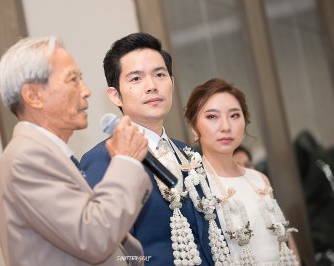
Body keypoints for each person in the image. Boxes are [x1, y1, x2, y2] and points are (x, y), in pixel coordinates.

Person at [0, 36, 153, 266]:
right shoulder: (26, 159)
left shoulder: (48, 154)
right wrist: (125, 161)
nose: (86, 91)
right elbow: (94, 237)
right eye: (73, 80)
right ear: (33, 96)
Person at [81, 33, 220, 266]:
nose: (152, 86)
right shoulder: (102, 159)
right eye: (136, 79)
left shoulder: (190, 154)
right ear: (115, 95)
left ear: (172, 83)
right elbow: (108, 249)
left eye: (160, 74)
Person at [184, 78, 300, 265]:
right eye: (212, 116)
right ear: (194, 128)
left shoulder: (259, 180)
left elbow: (285, 245)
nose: (226, 127)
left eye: (234, 115)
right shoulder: (194, 184)